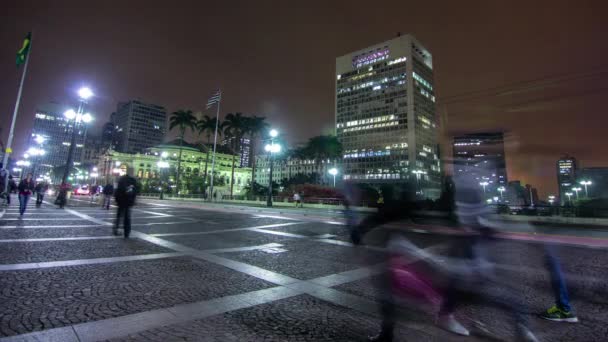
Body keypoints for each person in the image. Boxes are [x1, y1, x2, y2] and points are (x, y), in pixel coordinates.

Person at [114, 172, 137, 238]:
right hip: (128, 202)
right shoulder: (133, 181)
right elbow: (135, 192)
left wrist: (117, 200)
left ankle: (116, 229)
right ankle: (127, 233)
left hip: (121, 202)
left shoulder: (121, 180)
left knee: (119, 216)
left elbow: (117, 191)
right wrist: (132, 201)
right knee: (127, 218)